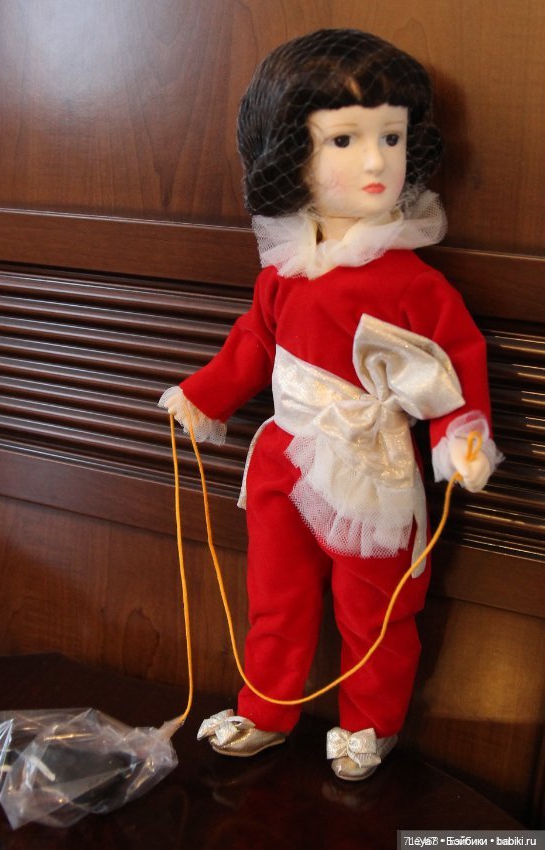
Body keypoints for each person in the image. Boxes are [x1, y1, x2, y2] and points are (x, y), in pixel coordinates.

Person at [160, 29, 502, 781]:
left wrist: (461, 435)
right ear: (289, 155)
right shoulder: (285, 268)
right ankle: (264, 709)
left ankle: (369, 724)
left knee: (374, 608)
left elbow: (457, 359)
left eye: (392, 137)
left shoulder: (415, 284)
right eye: (344, 139)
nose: (376, 161)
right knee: (275, 597)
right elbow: (254, 342)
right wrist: (204, 395)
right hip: (285, 459)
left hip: (371, 469)